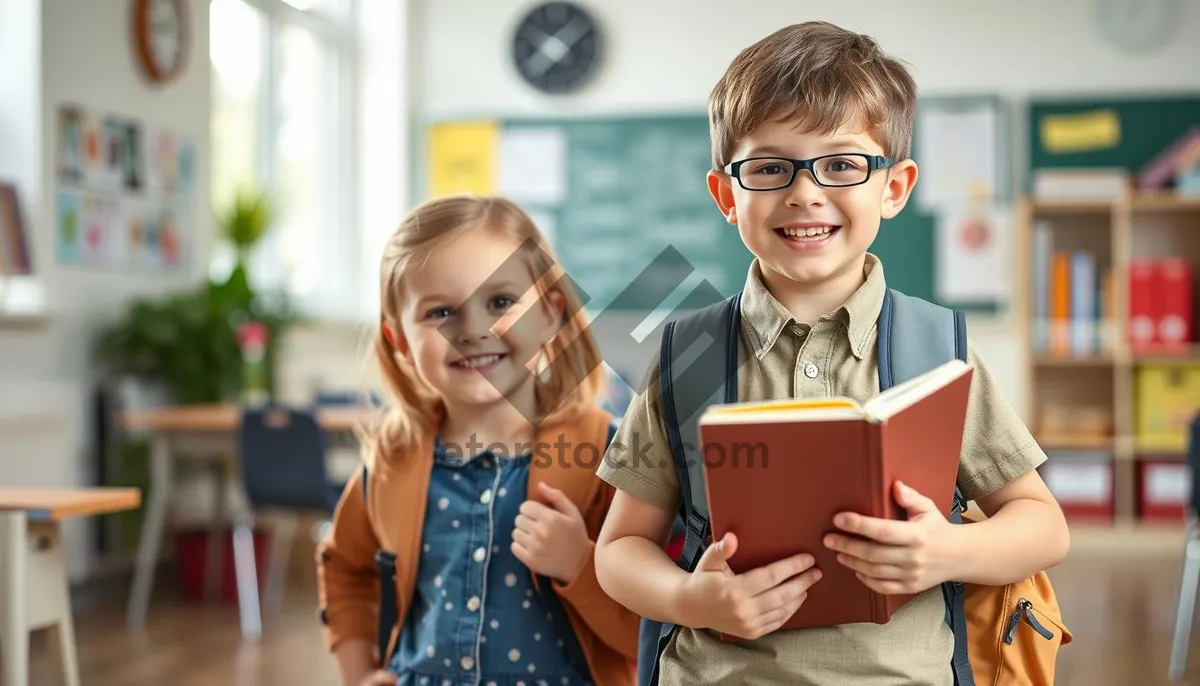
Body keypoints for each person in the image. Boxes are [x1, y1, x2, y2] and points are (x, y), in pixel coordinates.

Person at [592, 21, 1071, 686]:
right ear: (728, 195)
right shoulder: (687, 356)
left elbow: (1044, 527)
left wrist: (949, 550)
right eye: (769, 167)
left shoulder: (939, 351)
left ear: (895, 187)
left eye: (842, 164)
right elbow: (620, 548)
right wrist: (689, 598)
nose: (805, 192)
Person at [316, 195, 640, 686]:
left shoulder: (608, 458)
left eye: (501, 302)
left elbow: (655, 623)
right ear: (400, 340)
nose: (472, 330)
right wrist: (359, 672)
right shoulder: (392, 462)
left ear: (550, 314)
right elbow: (344, 566)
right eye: (441, 311)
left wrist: (580, 563)